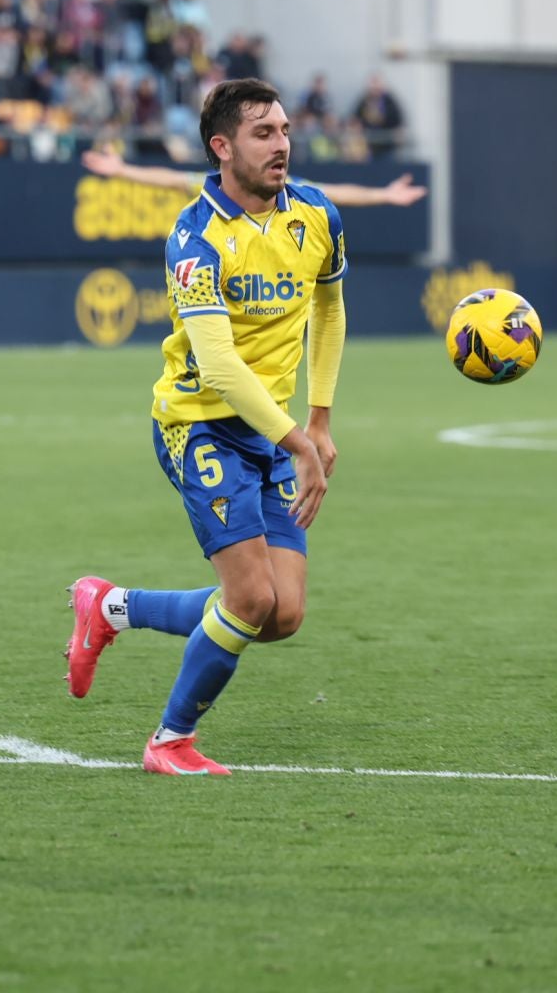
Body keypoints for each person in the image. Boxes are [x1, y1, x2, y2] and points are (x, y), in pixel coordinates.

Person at [65, 79, 347, 775]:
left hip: (273, 431)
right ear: (222, 147)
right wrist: (298, 441)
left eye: (285, 130)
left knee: (281, 614)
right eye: (263, 133)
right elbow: (218, 366)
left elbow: (329, 306)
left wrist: (318, 419)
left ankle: (110, 607)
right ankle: (169, 741)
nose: (282, 144)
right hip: (200, 427)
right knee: (249, 598)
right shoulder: (195, 239)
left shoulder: (316, 213)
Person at [81, 147, 426, 210]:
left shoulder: (289, 188)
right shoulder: (222, 184)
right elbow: (172, 179)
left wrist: (385, 195)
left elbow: (336, 193)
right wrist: (123, 170)